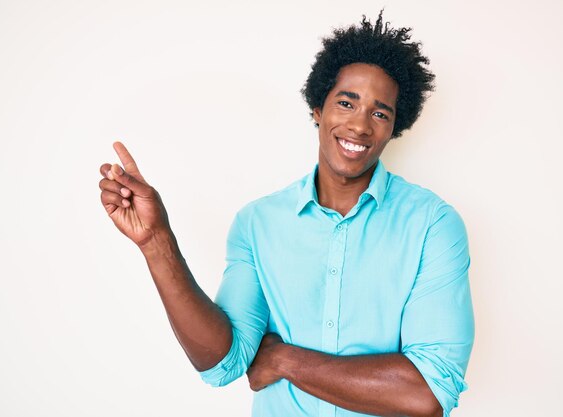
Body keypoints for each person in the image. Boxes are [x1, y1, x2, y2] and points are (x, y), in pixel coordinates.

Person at [99, 11, 474, 417]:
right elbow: (223, 363)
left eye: (380, 113)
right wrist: (156, 241)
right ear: (318, 109)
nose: (360, 125)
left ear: (394, 127)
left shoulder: (433, 225)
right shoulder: (258, 223)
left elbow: (427, 395)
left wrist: (285, 360)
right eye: (346, 102)